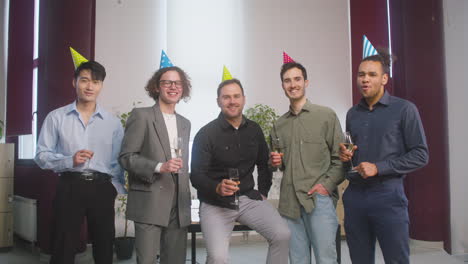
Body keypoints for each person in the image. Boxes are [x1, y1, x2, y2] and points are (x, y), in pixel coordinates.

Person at [339, 51, 429, 264]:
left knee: (396, 259)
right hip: (355, 197)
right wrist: (345, 156)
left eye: (372, 74)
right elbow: (353, 154)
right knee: (360, 260)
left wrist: (379, 167)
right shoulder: (353, 113)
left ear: (384, 78)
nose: (365, 79)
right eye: (361, 74)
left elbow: (421, 154)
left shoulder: (405, 109)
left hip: (388, 196)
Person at [191, 78, 290, 264]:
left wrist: (263, 192)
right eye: (226, 97)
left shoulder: (254, 129)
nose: (232, 101)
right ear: (218, 101)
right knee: (218, 258)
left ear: (244, 99)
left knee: (282, 235)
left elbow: (263, 163)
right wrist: (217, 187)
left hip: (247, 199)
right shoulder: (205, 134)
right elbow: (196, 175)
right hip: (215, 204)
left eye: (236, 96)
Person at [35, 60, 125, 264]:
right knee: (63, 245)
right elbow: (41, 156)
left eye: (95, 81)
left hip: (102, 188)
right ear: (74, 82)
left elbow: (118, 160)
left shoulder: (113, 123)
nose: (89, 86)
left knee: (104, 245)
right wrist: (69, 160)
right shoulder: (56, 117)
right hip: (69, 186)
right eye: (84, 80)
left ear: (101, 85)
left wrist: (114, 188)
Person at [270, 62, 344, 264]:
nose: (292, 84)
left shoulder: (326, 116)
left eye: (297, 79)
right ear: (282, 86)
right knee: (297, 260)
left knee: (326, 259)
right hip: (289, 203)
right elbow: (280, 165)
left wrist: (325, 187)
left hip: (317, 200)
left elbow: (341, 159)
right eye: (287, 80)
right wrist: (274, 162)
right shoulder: (278, 125)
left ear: (306, 82)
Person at [119, 66, 192, 264]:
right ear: (156, 87)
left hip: (179, 204)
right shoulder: (141, 116)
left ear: (183, 88)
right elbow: (126, 157)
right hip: (150, 200)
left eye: (177, 82)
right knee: (147, 261)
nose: (172, 86)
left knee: (175, 260)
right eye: (166, 82)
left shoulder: (185, 123)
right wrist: (160, 166)